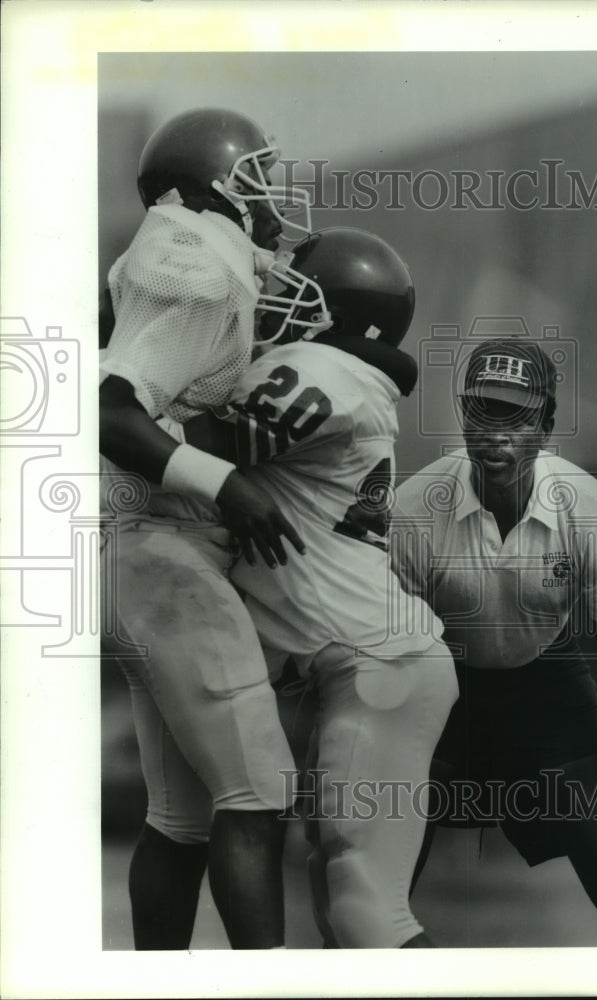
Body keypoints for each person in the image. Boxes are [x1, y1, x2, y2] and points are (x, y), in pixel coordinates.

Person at [171, 227, 459, 948]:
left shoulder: (323, 367)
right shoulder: (337, 370)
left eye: (292, 294)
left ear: (337, 315)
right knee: (339, 907)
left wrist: (140, 370)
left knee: (364, 905)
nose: (271, 304)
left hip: (375, 665)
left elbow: (212, 447)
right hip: (364, 661)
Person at [99, 107, 315, 950]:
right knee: (259, 796)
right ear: (209, 185)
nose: (271, 193)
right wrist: (227, 485)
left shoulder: (189, 257)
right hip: (162, 553)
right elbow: (113, 412)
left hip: (140, 555)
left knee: (180, 817)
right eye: (256, 173)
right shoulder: (194, 259)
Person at [390, 338, 597, 946]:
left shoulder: (591, 511)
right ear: (462, 417)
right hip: (445, 694)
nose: (496, 435)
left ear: (547, 425)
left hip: (549, 690)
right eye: (482, 413)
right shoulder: (415, 509)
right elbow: (386, 664)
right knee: (366, 892)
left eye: (517, 417)